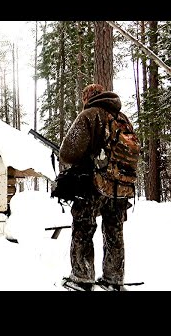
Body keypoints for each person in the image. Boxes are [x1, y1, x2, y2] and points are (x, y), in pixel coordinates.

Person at [59, 83, 135, 291]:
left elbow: (68, 152)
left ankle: (81, 278)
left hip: (95, 184)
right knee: (114, 231)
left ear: (87, 98)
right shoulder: (122, 119)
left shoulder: (90, 115)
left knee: (83, 226)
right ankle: (114, 279)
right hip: (122, 187)